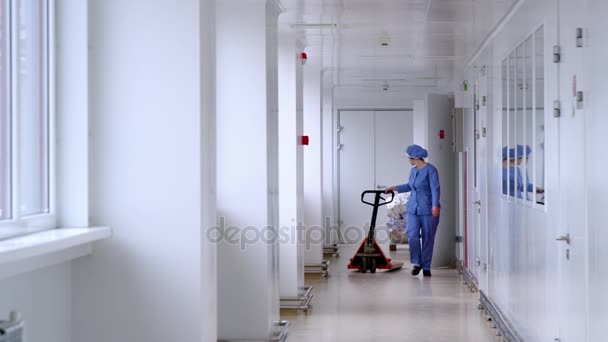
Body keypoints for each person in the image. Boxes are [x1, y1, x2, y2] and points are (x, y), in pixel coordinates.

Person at [385, 144, 440, 277]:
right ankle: (417, 262)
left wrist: (435, 206)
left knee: (428, 238)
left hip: (428, 209)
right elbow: (409, 186)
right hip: (413, 208)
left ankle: (426, 266)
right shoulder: (413, 171)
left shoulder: (431, 170)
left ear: (415, 157)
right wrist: (393, 188)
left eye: (409, 158)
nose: (408, 160)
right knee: (412, 235)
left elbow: (435, 189)